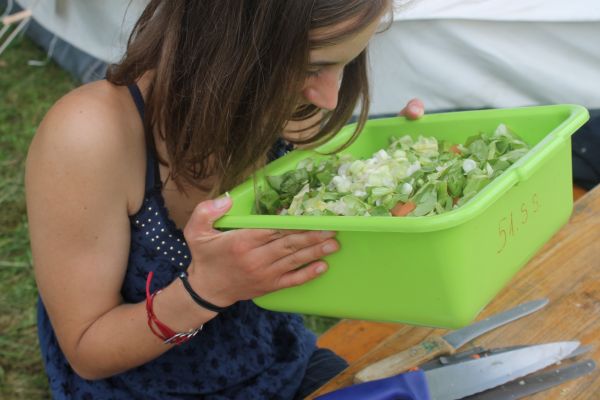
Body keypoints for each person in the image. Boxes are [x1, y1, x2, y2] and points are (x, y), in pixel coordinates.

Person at [25, 1, 424, 399]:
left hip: (281, 366)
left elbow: (327, 257)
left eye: (348, 62)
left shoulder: (294, 109)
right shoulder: (90, 136)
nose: (329, 99)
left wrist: (397, 178)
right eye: (311, 67)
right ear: (223, 44)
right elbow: (86, 350)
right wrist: (207, 289)